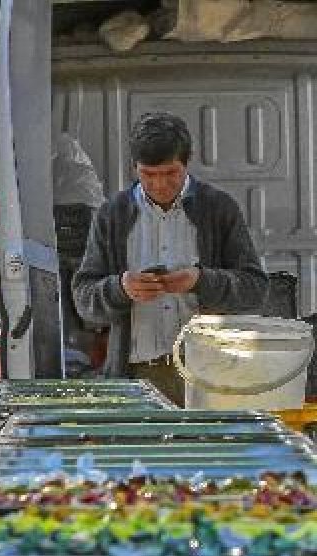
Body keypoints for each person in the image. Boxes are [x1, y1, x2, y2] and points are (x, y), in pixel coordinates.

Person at [72, 112, 266, 406]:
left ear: (187, 163)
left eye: (170, 173)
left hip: (208, 374)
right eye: (149, 175)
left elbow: (255, 289)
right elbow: (84, 301)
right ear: (135, 167)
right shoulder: (111, 216)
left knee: (205, 452)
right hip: (135, 377)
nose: (160, 185)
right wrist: (121, 289)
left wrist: (201, 280)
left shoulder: (219, 209)